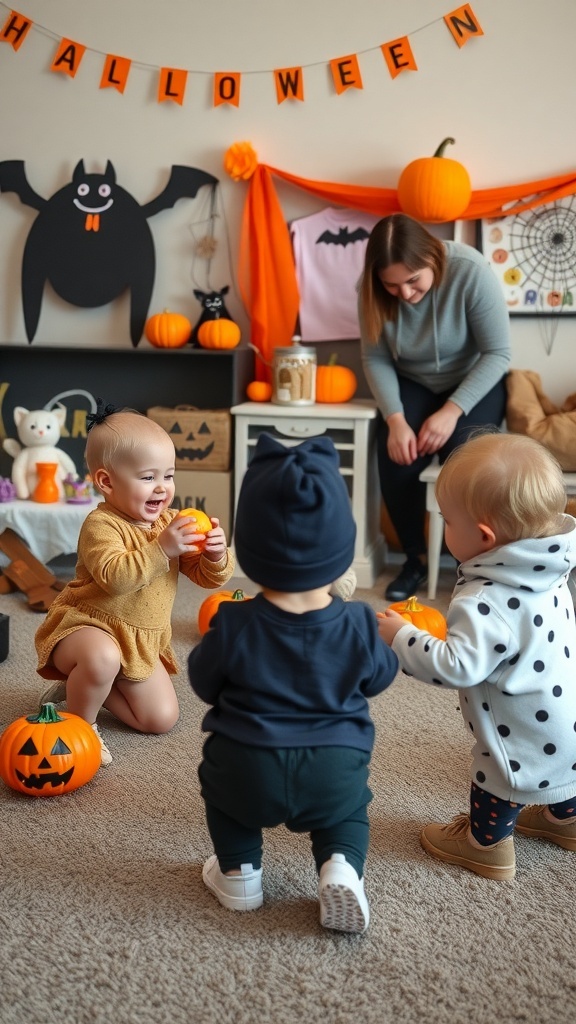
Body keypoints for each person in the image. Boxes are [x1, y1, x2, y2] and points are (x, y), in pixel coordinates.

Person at [188, 433, 398, 933]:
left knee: (225, 798)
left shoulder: (233, 624)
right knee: (349, 813)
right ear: (342, 549)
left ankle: (240, 874)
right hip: (334, 768)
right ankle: (340, 867)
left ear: (252, 550)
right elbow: (380, 678)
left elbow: (202, 680)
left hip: (246, 765)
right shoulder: (359, 623)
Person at [377, 432, 576, 881]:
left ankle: (485, 845)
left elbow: (456, 666)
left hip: (520, 734)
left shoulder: (484, 600)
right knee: (562, 767)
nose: (442, 527)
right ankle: (565, 819)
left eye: (447, 520)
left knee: (497, 772)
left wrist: (401, 636)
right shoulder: (552, 570)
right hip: (567, 721)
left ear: (484, 537)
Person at [35, 406, 235, 766]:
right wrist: (162, 549)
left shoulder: (171, 522)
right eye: (147, 478)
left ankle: (80, 685)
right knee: (102, 658)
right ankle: (81, 724)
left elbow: (207, 578)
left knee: (159, 719)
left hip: (138, 639)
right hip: (86, 627)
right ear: (107, 482)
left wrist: (216, 555)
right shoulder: (101, 526)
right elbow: (116, 577)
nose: (162, 487)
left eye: (169, 476)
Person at [359, 213, 511, 601]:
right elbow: (375, 358)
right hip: (412, 381)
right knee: (396, 456)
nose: (405, 294)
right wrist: (395, 420)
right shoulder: (371, 289)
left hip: (473, 379)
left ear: (433, 258)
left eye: (413, 281)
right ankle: (415, 559)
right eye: (392, 285)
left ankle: (476, 565)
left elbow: (498, 353)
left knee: (468, 461)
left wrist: (452, 410)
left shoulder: (470, 270)